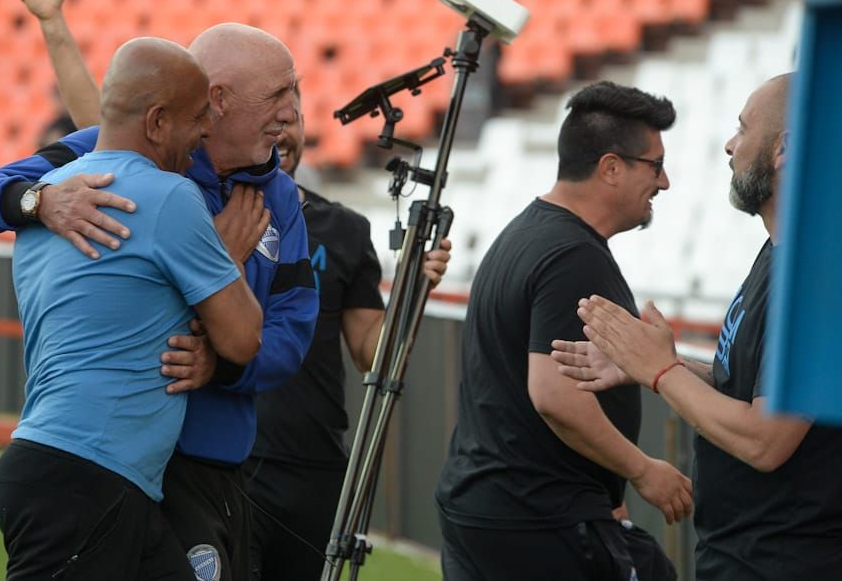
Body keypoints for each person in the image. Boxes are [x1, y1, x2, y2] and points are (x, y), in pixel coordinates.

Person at [0, 0, 319, 580]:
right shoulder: (115, 162)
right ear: (219, 102)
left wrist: (222, 366)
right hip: (119, 459)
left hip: (208, 463)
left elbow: (292, 327)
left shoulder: (280, 198)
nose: (292, 112)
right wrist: (40, 200)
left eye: (296, 92)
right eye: (279, 94)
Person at [0, 36, 263, 580]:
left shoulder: (50, 193)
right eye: (195, 120)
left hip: (80, 470)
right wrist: (229, 255)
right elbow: (242, 338)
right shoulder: (171, 197)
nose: (205, 134)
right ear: (158, 122)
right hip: (85, 474)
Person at [555, 73, 842, 580]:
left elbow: (766, 441)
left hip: (782, 562)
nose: (730, 146)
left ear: (785, 149)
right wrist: (648, 366)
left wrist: (663, 372)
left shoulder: (819, 270)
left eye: (743, 127)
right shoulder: (780, 254)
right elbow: (750, 387)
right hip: (744, 553)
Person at [434, 82, 691, 581]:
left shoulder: (527, 232)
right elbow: (554, 394)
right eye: (655, 166)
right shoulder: (571, 255)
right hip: (536, 520)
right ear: (611, 168)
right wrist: (642, 471)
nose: (664, 183)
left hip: (494, 509)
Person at [244, 102, 450, 581]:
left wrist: (412, 289)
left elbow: (370, 353)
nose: (282, 131)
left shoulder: (345, 229)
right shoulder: (207, 209)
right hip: (231, 456)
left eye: (290, 117)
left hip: (314, 465)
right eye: (268, 117)